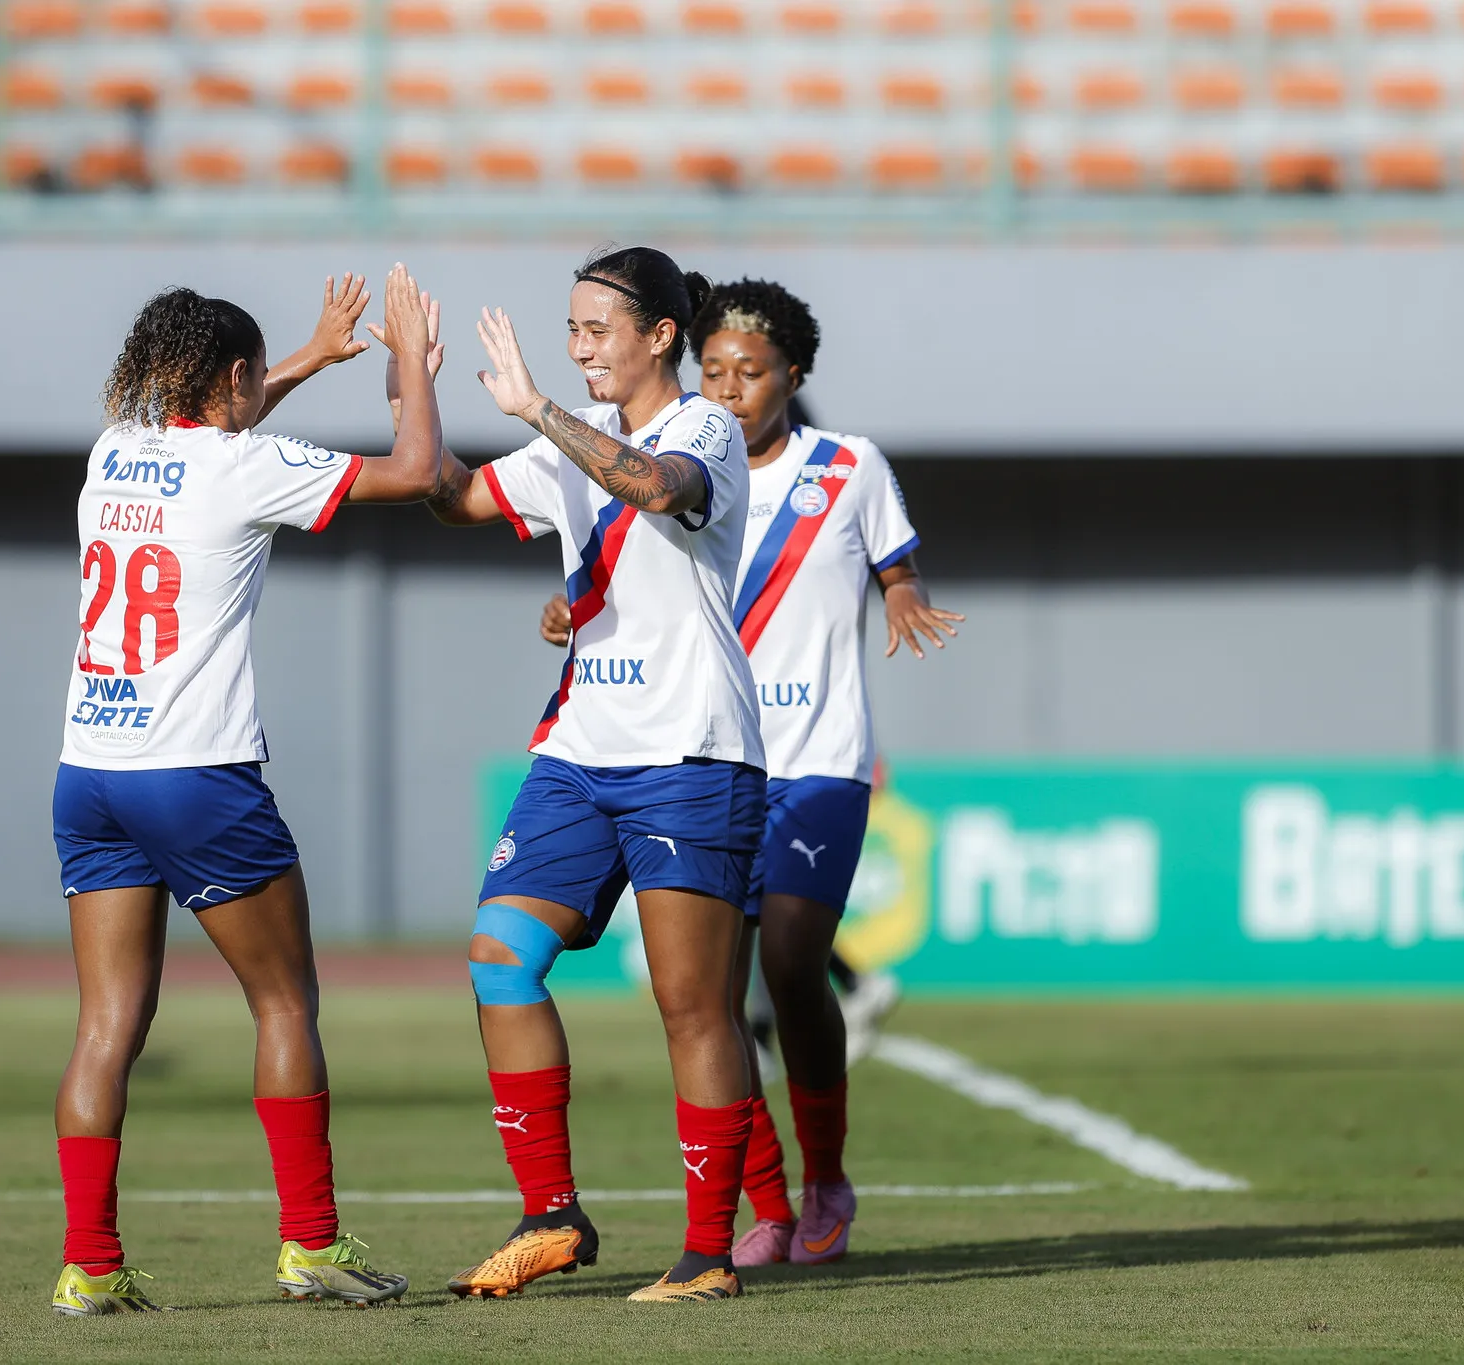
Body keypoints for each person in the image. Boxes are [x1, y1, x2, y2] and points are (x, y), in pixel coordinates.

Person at [537, 277, 960, 1268]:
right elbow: (622, 591)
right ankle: (765, 1206)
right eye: (716, 370)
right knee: (708, 999)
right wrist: (568, 612)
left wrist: (901, 595)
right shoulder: (673, 468)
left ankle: (825, 1181)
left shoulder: (848, 467)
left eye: (752, 372)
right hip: (713, 756)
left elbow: (896, 564)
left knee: (791, 962)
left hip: (817, 760)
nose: (729, 389)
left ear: (792, 376)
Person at [48, 267, 445, 1314]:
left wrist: (307, 357)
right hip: (197, 776)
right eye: (257, 375)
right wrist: (407, 355)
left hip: (90, 774)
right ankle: (310, 1245)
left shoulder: (113, 454)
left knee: (104, 1029)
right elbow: (415, 470)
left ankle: (89, 1264)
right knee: (283, 1001)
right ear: (231, 375)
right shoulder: (244, 465)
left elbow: (211, 442)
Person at [415, 246, 765, 1303]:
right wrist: (414, 391)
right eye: (569, 331)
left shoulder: (703, 425)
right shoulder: (567, 439)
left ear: (660, 336)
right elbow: (451, 500)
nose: (577, 349)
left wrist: (539, 411)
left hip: (690, 750)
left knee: (691, 1004)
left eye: (595, 330)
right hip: (578, 752)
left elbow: (656, 490)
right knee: (496, 959)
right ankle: (551, 1216)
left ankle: (707, 1255)